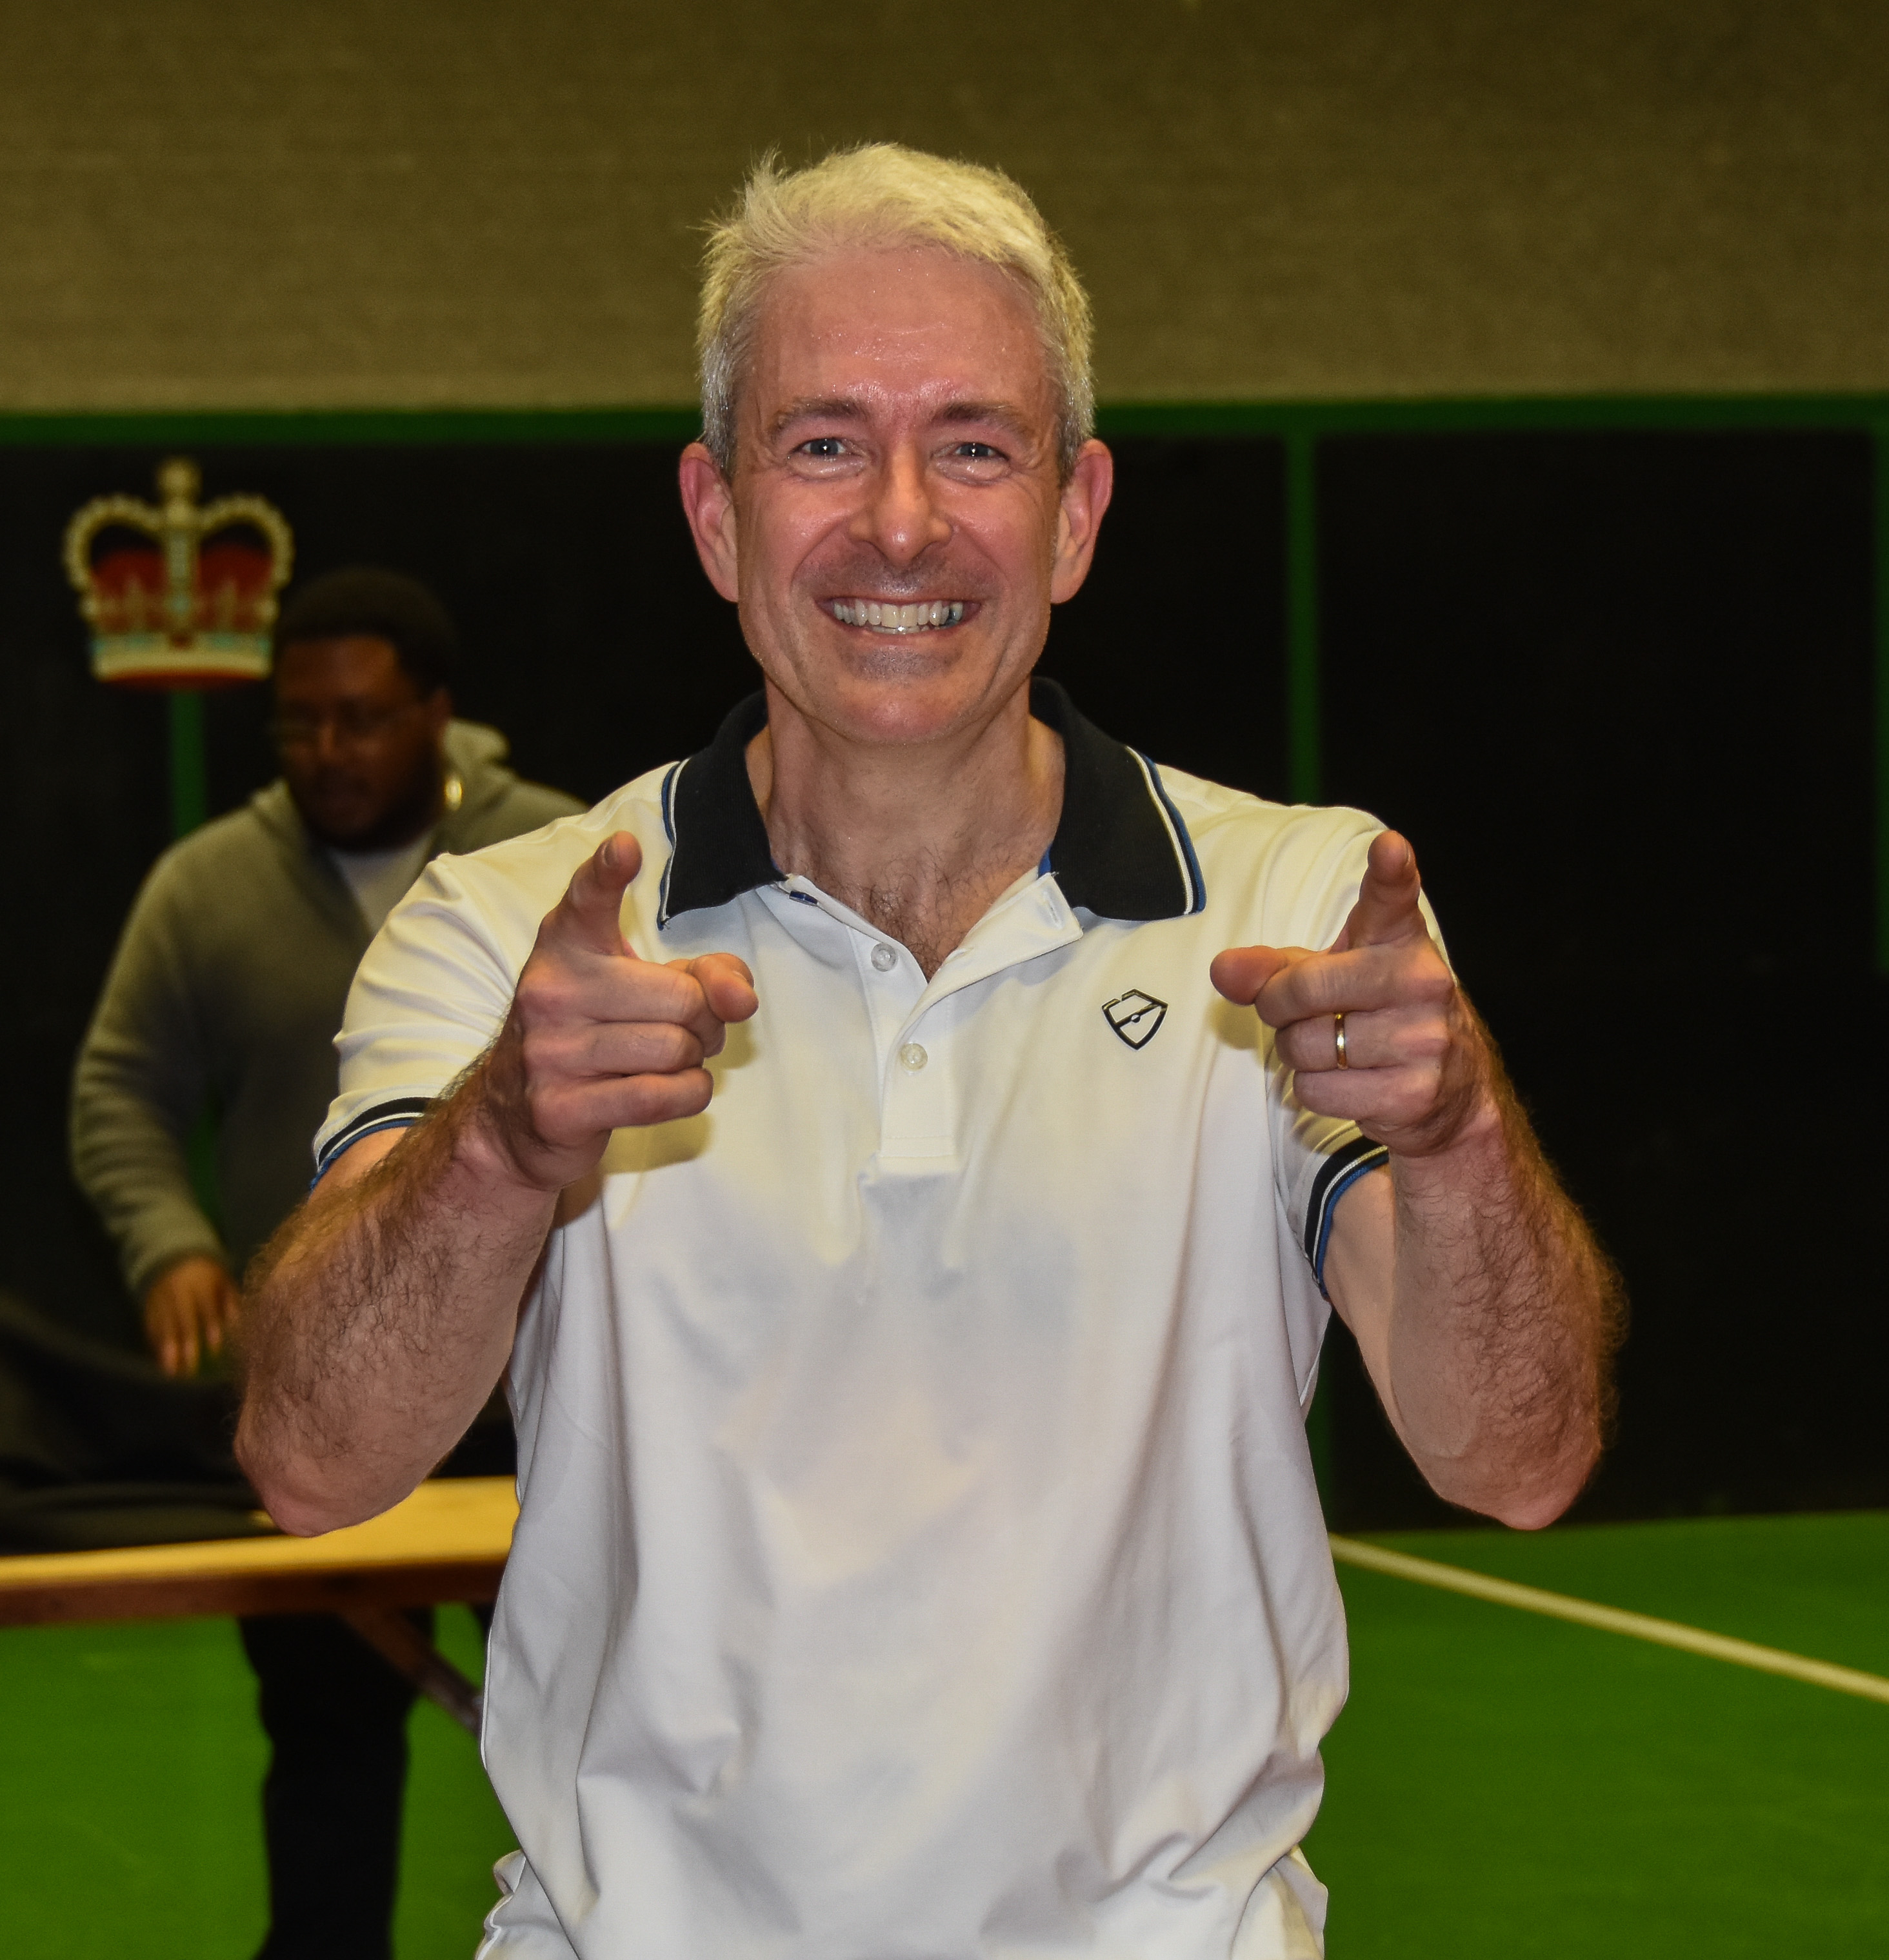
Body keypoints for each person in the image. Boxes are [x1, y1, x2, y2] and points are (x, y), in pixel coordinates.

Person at [237, 149, 1623, 1959]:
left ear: (1076, 513)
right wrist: (497, 1143)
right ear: (717, 516)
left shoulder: (1298, 910)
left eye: (975, 445)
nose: (902, 524)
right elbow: (313, 1460)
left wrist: (1456, 1137)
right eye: (825, 443)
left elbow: (1518, 1456)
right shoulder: (513, 931)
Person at [72, 566, 582, 1960]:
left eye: (362, 720)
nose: (329, 751)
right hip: (328, 1388)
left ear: (438, 714)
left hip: (533, 1406)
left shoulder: (557, 863)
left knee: (590, 1731)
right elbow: (119, 1086)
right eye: (299, 725)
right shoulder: (207, 887)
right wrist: (172, 1242)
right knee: (326, 1750)